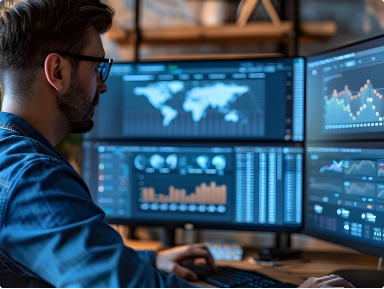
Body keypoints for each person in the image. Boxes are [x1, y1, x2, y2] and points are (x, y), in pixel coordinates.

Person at [0, 0, 354, 288]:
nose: (103, 86)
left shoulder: (12, 157)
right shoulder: (35, 179)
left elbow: (74, 257)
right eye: (98, 68)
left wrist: (151, 259)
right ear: (57, 72)